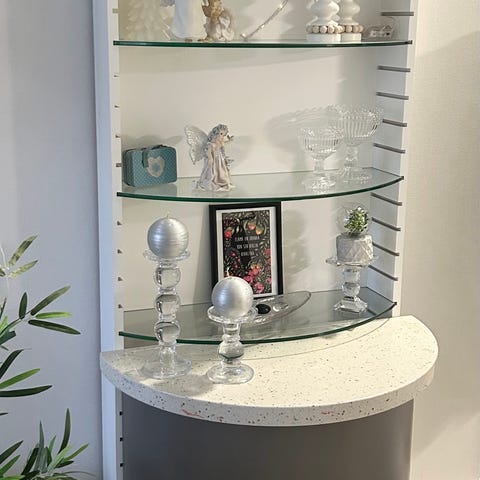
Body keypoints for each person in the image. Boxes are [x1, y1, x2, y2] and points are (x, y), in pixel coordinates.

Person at [197, 124, 234, 191]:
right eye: (221, 134)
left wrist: (229, 140)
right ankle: (214, 181)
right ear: (216, 134)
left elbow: (224, 142)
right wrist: (210, 158)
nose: (222, 136)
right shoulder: (211, 144)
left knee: (221, 170)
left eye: (224, 135)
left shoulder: (220, 143)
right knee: (213, 171)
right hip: (214, 160)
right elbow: (208, 151)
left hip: (220, 160)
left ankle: (222, 181)